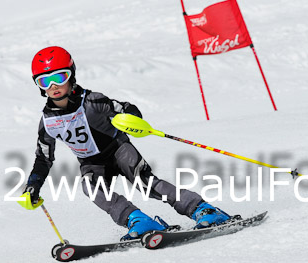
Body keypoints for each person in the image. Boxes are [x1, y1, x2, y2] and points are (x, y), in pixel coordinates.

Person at [21, 46, 231, 239]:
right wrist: (33, 185)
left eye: (59, 77)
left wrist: (132, 118)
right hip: (92, 163)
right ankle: (138, 220)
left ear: (71, 75)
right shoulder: (47, 123)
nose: (54, 86)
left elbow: (126, 108)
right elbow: (43, 158)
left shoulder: (93, 101)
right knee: (91, 188)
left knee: (146, 183)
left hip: (118, 149)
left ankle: (203, 209)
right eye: (45, 81)